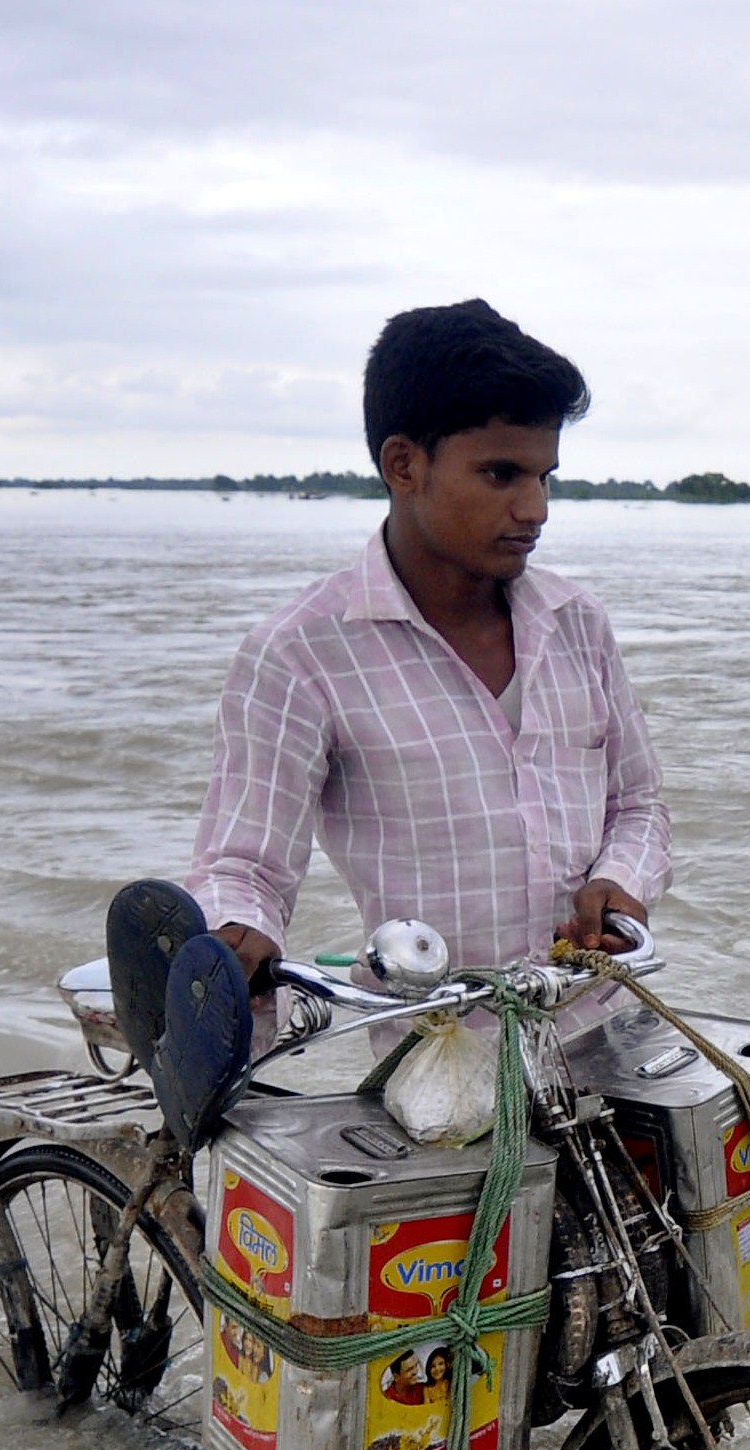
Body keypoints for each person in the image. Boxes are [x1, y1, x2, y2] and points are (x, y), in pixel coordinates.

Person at [186, 299, 667, 999]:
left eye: (545, 476)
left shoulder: (577, 623)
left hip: (603, 1025)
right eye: (502, 474)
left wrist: (621, 879)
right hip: (432, 1057)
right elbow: (244, 867)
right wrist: (240, 934)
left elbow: (639, 802)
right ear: (404, 465)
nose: (535, 509)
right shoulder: (300, 655)